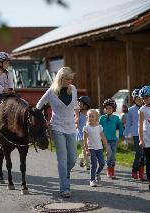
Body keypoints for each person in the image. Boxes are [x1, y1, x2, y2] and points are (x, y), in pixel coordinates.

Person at [36, 67, 79, 198]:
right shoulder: (51, 92)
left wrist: (77, 115)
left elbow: (76, 104)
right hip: (57, 127)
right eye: (67, 79)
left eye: (71, 79)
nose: (70, 81)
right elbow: (38, 107)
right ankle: (64, 188)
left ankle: (64, 176)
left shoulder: (74, 89)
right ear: (60, 78)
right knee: (62, 159)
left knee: (72, 159)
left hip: (71, 128)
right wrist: (45, 121)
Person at [124, 88, 145, 181]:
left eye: (141, 98)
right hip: (136, 134)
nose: (139, 100)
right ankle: (134, 170)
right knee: (139, 153)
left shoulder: (146, 108)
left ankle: (141, 174)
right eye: (137, 99)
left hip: (146, 133)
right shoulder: (131, 110)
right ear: (134, 99)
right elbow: (128, 122)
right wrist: (125, 132)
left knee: (145, 154)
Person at [99, 98, 123, 179]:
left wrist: (121, 135)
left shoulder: (116, 118)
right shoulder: (102, 118)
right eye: (106, 108)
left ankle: (112, 171)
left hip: (114, 140)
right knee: (109, 154)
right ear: (104, 109)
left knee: (113, 156)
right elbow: (98, 128)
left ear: (113, 109)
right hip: (105, 140)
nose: (108, 110)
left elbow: (120, 127)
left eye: (110, 108)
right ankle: (109, 171)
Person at [83, 109, 109, 187]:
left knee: (102, 163)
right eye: (89, 116)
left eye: (92, 116)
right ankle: (92, 180)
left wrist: (106, 147)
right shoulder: (86, 128)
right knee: (93, 164)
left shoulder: (99, 127)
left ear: (96, 118)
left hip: (99, 148)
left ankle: (97, 173)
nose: (90, 118)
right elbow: (84, 140)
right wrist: (86, 150)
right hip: (91, 149)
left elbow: (103, 138)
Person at [76, 96, 91, 170]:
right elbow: (75, 123)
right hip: (81, 135)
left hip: (88, 136)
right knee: (85, 149)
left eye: (80, 103)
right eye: (78, 103)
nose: (79, 104)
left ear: (85, 105)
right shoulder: (78, 114)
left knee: (86, 149)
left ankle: (82, 159)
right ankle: (87, 164)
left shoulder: (89, 114)